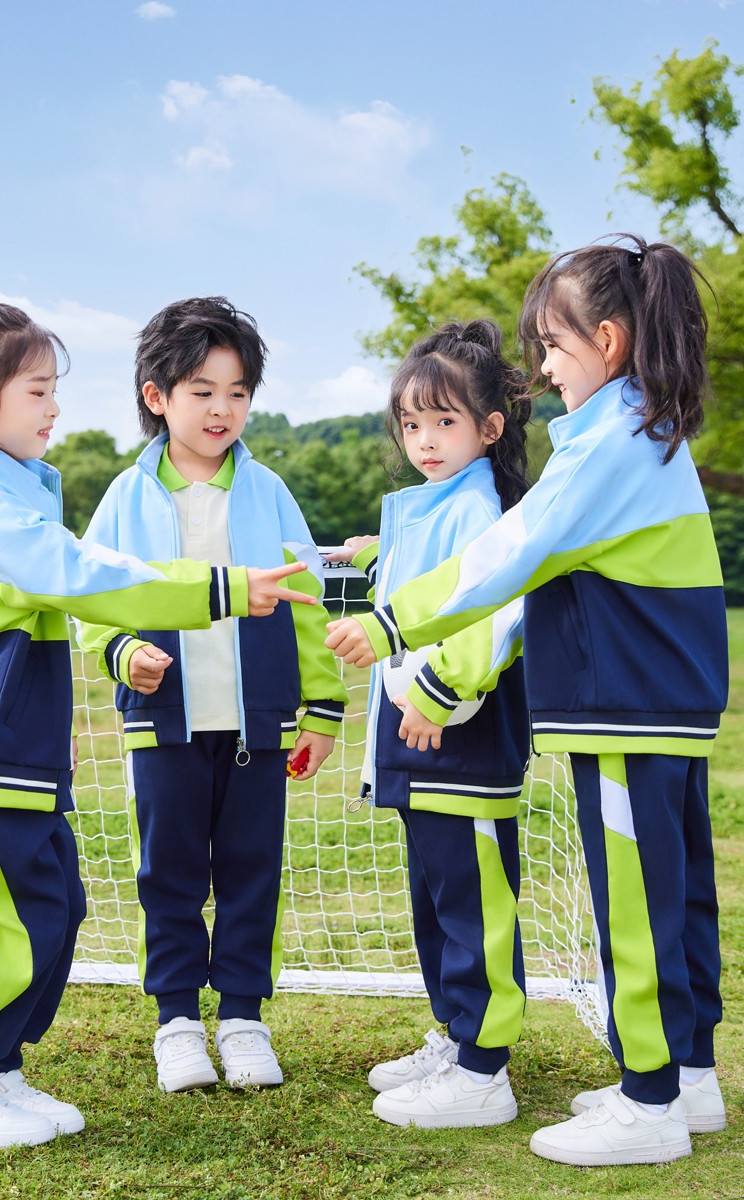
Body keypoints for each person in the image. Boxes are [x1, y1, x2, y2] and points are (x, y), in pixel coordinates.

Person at [328, 236, 727, 1167]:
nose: (542, 367)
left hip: (627, 708)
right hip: (656, 705)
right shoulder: (637, 432)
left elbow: (507, 558)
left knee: (634, 901)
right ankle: (690, 1073)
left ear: (611, 343)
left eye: (552, 344)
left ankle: (651, 1099)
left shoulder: (612, 444)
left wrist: (394, 624)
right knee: (677, 891)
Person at [0, 279, 314, 1147]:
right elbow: (87, 580)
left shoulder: (17, 488)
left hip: (21, 752)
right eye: (40, 392)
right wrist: (224, 589)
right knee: (22, 919)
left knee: (58, 908)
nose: (55, 409)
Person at [78, 297, 345, 1094]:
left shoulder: (269, 494)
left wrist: (323, 707)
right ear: (157, 397)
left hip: (257, 728)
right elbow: (91, 603)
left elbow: (309, 603)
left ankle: (242, 1018)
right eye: (202, 390)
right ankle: (176, 1023)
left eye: (237, 391)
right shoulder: (125, 498)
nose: (222, 408)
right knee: (169, 875)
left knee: (252, 872)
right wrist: (125, 653)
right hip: (162, 730)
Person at [324, 320, 532, 1128]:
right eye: (411, 424)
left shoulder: (482, 508)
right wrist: (383, 552)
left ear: (490, 428)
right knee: (435, 894)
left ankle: (485, 1070)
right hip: (415, 728)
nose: (424, 439)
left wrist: (444, 700)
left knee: (474, 901)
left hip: (458, 726)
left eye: (444, 421)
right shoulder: (431, 505)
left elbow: (484, 611)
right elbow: (428, 582)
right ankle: (454, 1035)